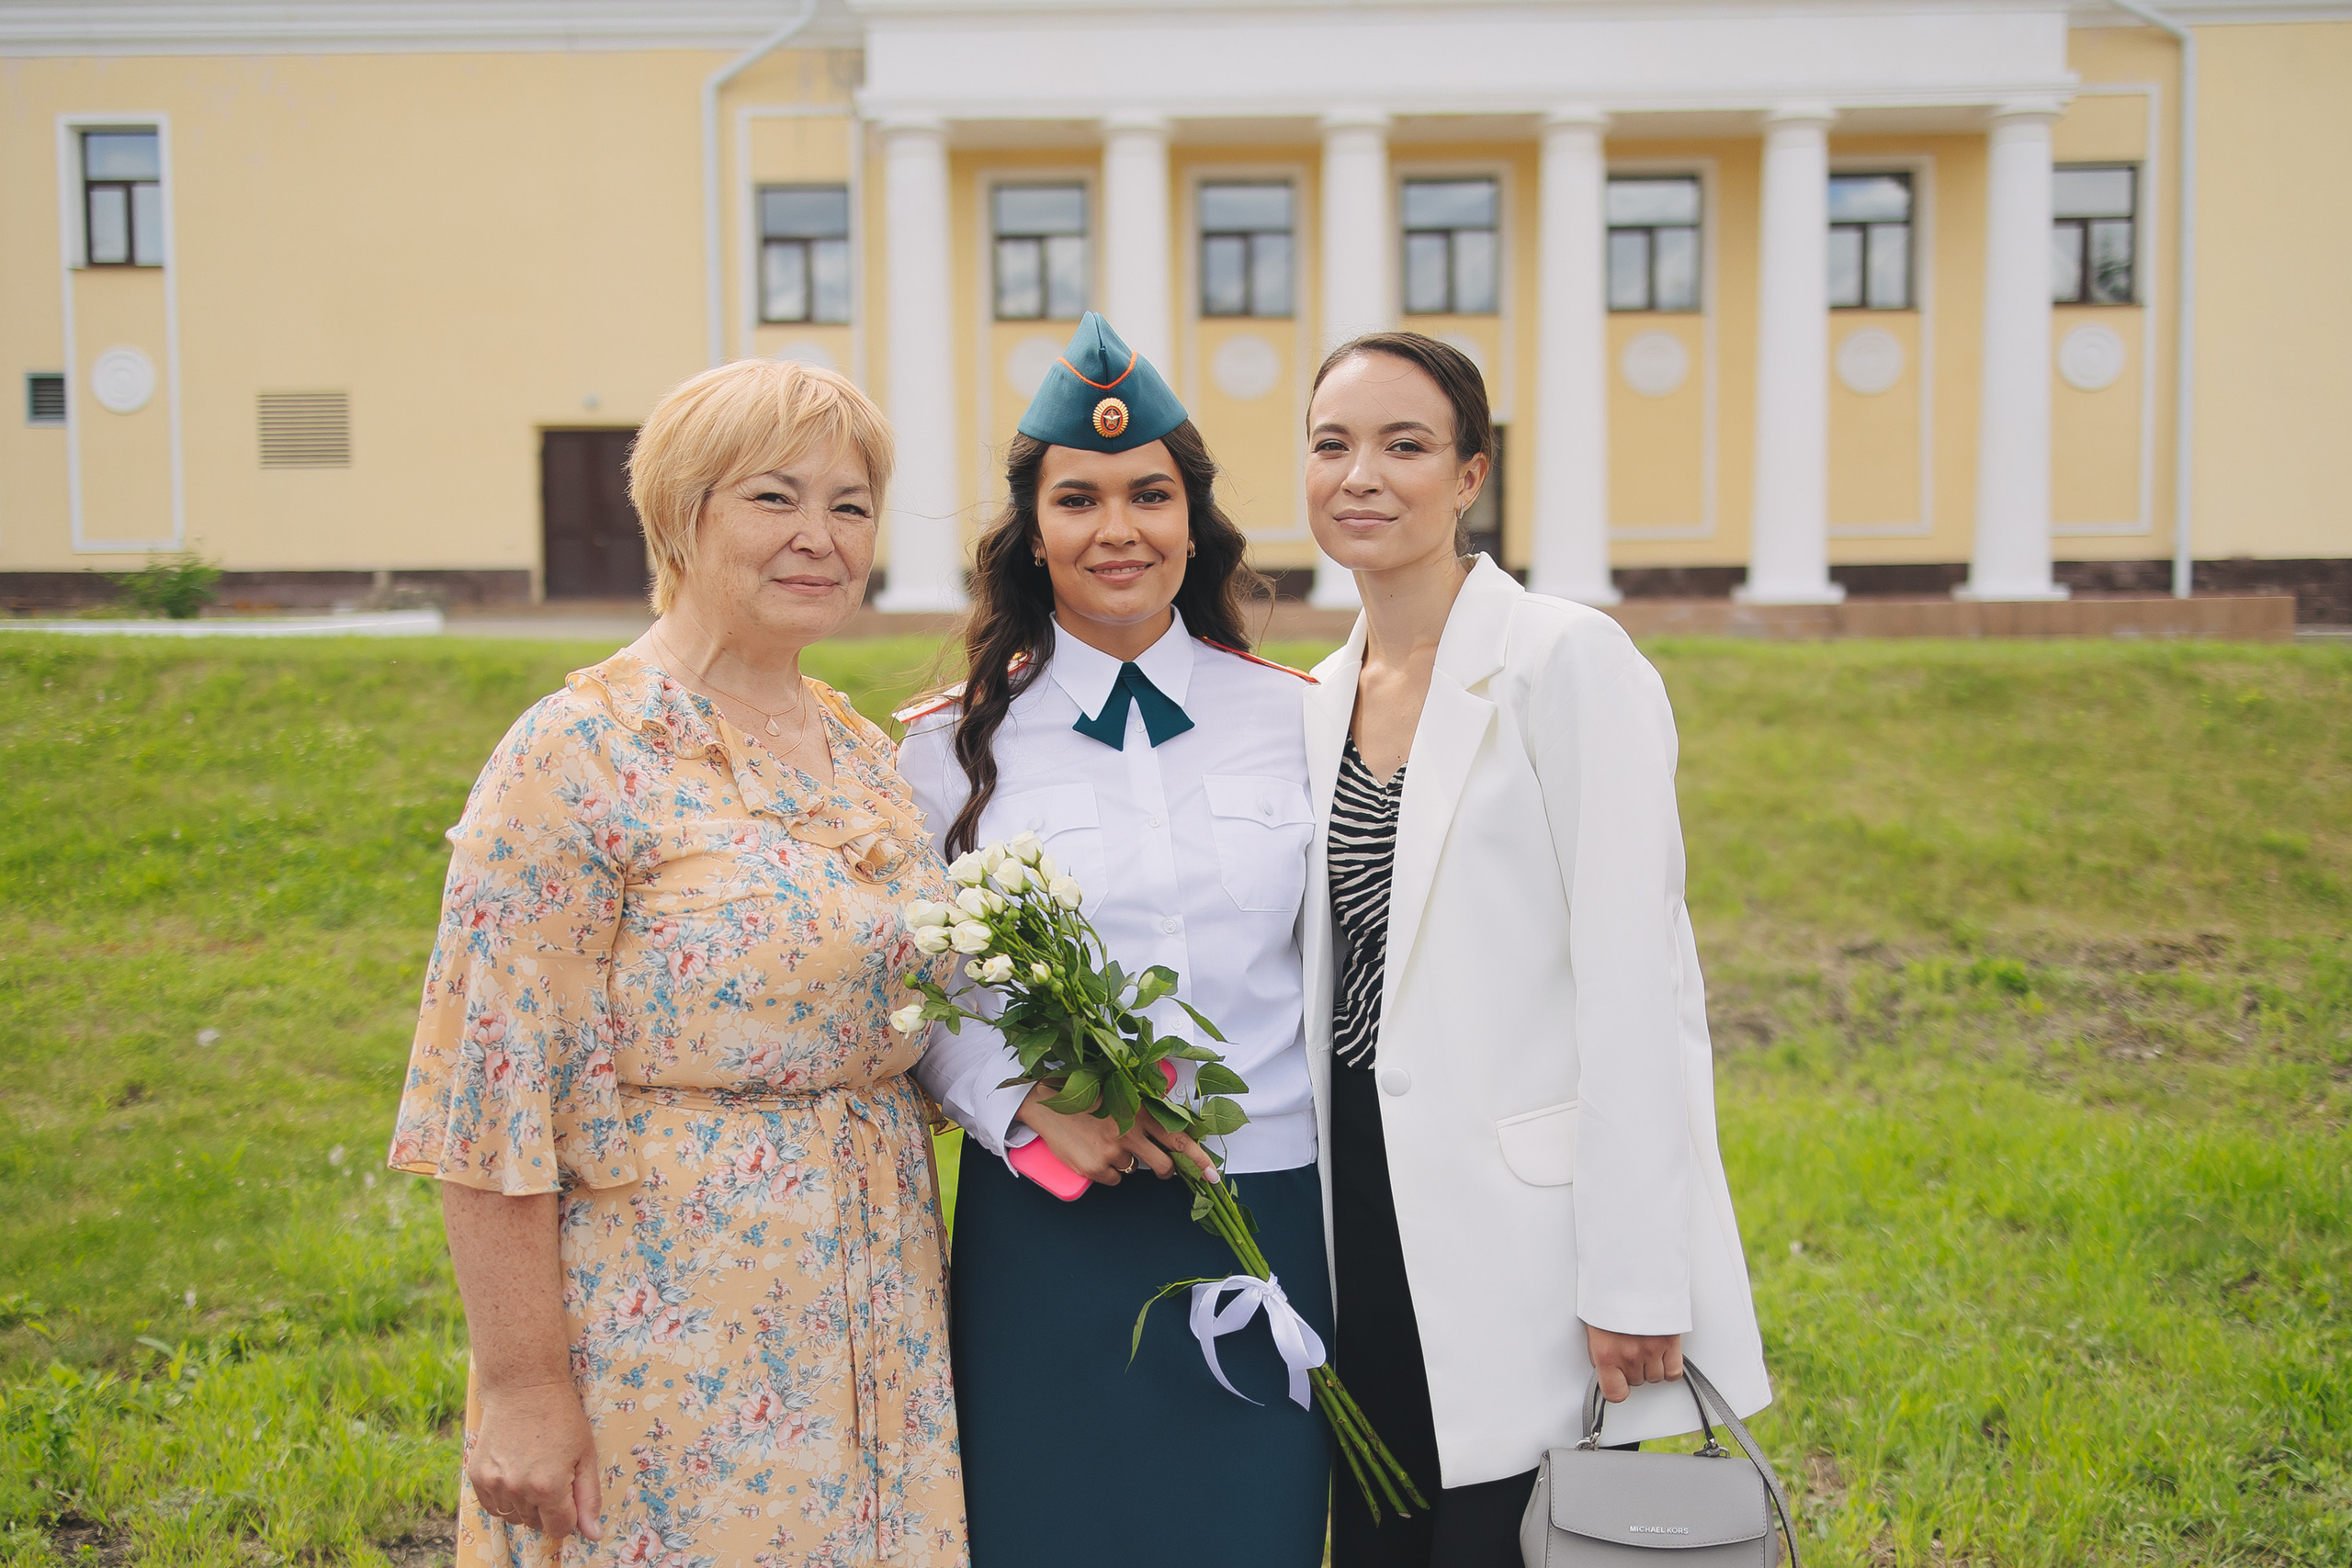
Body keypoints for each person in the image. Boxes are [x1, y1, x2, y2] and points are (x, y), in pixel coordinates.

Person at [387, 358, 967, 1568]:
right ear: (680, 515)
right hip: (669, 1323)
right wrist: (524, 1386)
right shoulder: (576, 754)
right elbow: (490, 1099)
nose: (819, 537)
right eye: (774, 498)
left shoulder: (862, 752)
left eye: (850, 506)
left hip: (878, 1307)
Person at [1297, 333, 1770, 1567]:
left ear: (1470, 475)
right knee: (1384, 1539)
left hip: (1522, 1227)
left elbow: (1638, 985)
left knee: (1505, 1540)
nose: (1361, 474)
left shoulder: (1567, 660)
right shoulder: (1318, 694)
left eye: (1405, 445)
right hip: (1361, 1200)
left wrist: (1636, 1278)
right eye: (1333, 444)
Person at [896, 313, 1330, 1567]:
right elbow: (916, 984)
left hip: (1270, 1202)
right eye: (1077, 500)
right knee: (1052, 1530)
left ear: (1193, 521)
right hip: (1055, 1217)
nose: (1117, 529)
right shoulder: (943, 747)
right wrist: (1025, 1106)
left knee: (1252, 1533)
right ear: (1033, 533)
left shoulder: (1302, 721)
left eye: (1150, 494)